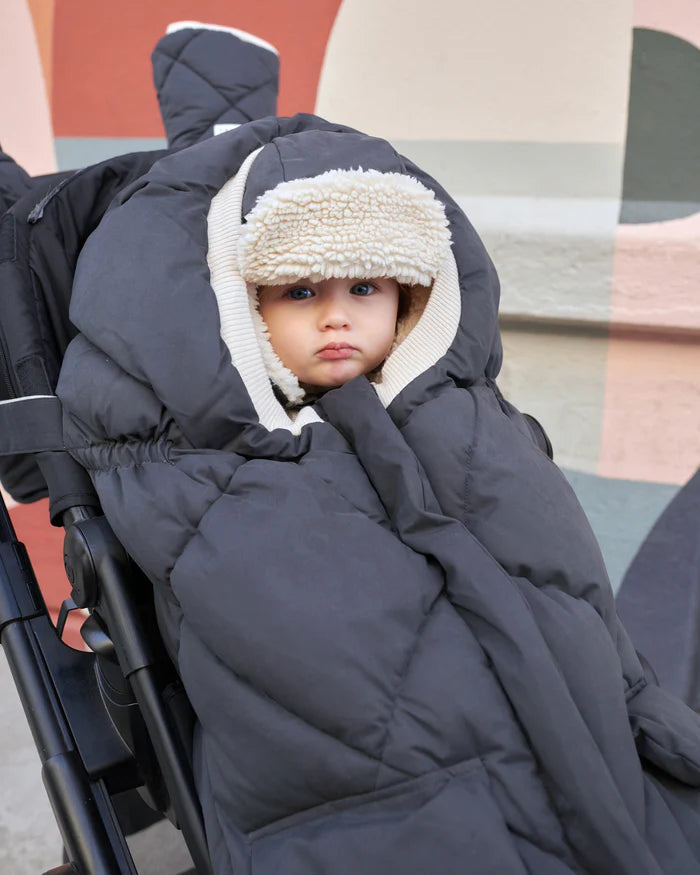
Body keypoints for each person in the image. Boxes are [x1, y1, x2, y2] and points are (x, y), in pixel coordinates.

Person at [57, 116, 700, 875]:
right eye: (300, 290)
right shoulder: (200, 471)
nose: (337, 315)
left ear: (411, 294)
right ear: (243, 308)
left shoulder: (472, 429)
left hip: (590, 763)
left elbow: (572, 594)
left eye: (365, 286)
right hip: (381, 815)